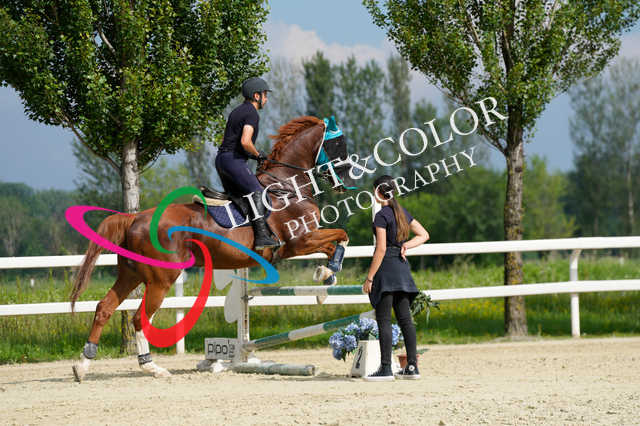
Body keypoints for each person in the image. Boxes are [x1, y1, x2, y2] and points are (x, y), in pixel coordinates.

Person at [362, 175, 429, 381]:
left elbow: (381, 249)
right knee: (405, 320)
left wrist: (370, 278)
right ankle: (412, 367)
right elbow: (424, 235)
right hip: (402, 270)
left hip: (386, 270)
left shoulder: (381, 215)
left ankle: (385, 369)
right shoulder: (401, 212)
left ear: (377, 192)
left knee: (383, 320)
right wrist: (405, 245)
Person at [215, 77, 281, 250]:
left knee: (241, 199)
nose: (266, 99)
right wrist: (258, 154)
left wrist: (253, 156)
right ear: (256, 96)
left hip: (222, 160)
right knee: (258, 193)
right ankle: (261, 237)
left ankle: (241, 236)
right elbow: (245, 141)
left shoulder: (237, 111)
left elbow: (233, 142)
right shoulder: (252, 113)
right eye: (265, 95)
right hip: (233, 161)